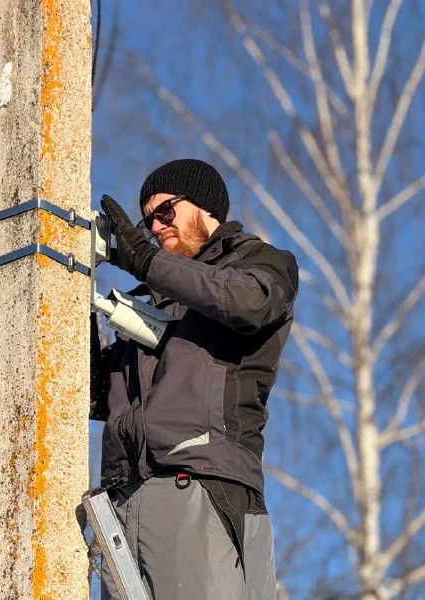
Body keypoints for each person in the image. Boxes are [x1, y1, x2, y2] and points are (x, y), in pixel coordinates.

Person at [90, 158, 298, 600]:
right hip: (124, 503)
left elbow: (247, 303)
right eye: (147, 224)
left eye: (165, 212)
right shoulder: (150, 300)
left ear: (206, 208)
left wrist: (146, 262)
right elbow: (100, 398)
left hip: (198, 484)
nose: (156, 227)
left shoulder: (259, 265)